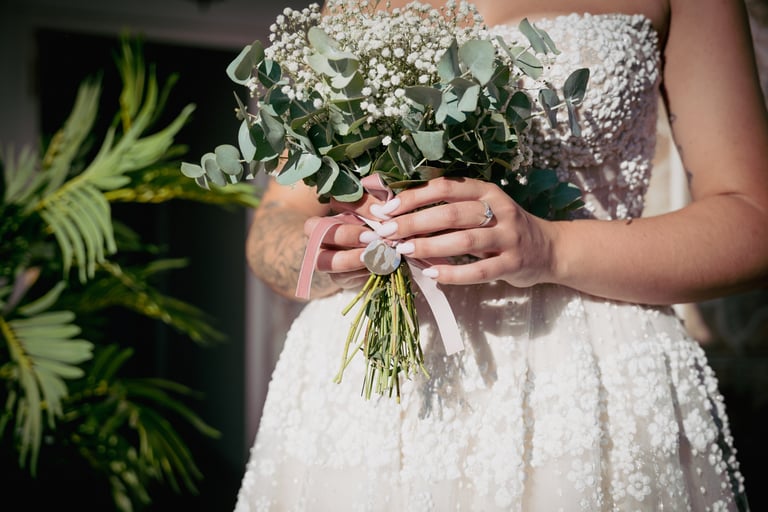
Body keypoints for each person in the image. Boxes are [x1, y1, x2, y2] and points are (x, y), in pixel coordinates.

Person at [235, 0, 768, 510]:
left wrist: (550, 248)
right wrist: (335, 251)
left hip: (586, 383)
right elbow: (274, 229)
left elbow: (753, 220)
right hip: (365, 390)